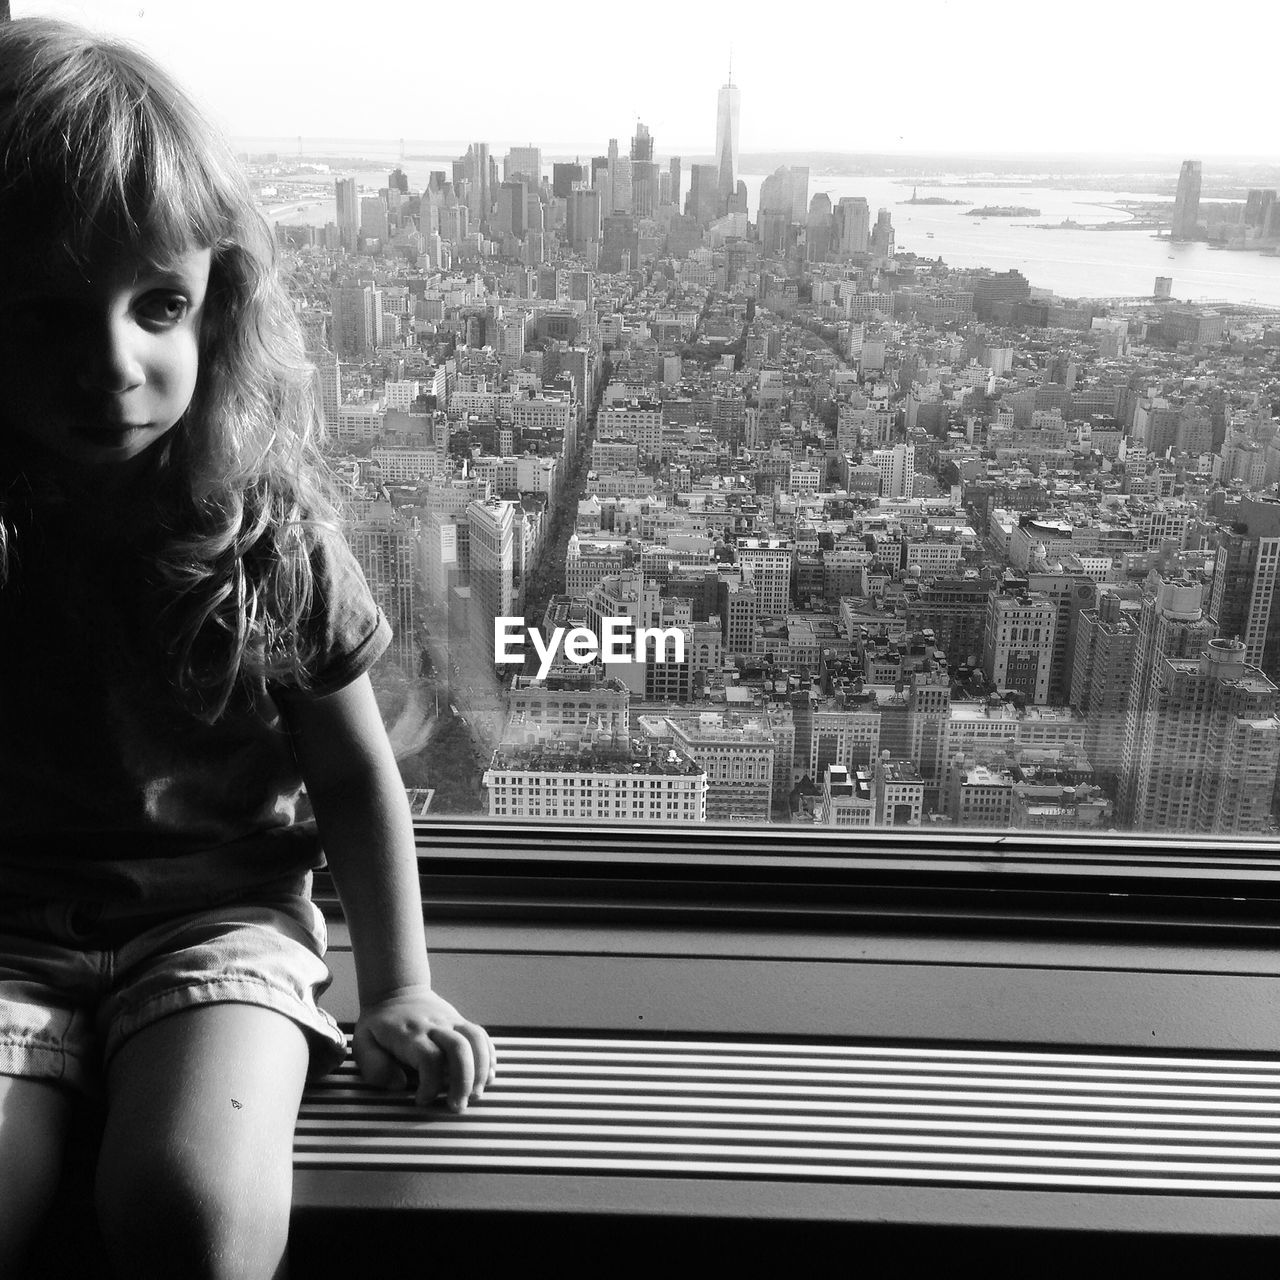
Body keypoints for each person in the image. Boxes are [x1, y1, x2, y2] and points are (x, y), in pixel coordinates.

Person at [0, 17, 495, 1277]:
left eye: (157, 303)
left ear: (217, 305)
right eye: (45, 315)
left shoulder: (264, 529)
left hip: (221, 927)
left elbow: (351, 768)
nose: (113, 362)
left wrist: (397, 986)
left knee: (195, 1211)